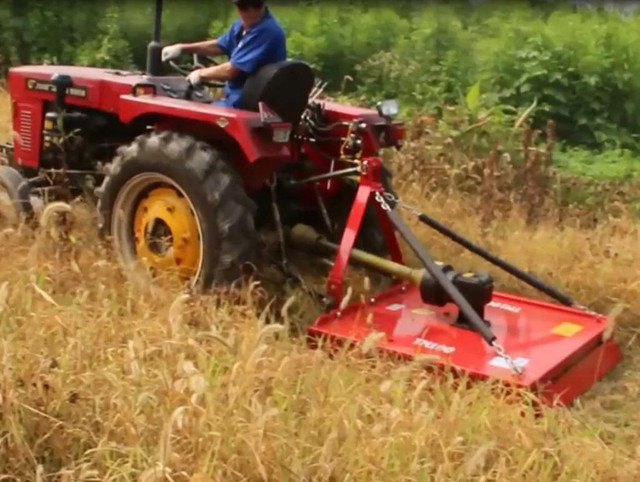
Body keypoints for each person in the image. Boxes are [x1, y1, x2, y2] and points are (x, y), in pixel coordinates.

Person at [161, 0, 287, 108]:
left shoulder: (266, 31)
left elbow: (230, 71)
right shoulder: (241, 25)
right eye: (244, 6)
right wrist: (183, 48)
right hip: (236, 97)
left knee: (190, 115)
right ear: (237, 7)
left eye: (255, 5)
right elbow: (220, 46)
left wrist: (201, 74)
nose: (251, 11)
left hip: (245, 100)